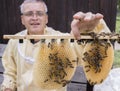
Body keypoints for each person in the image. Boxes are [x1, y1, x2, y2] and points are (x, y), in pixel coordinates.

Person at [0, 0, 111, 91]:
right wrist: (8, 87)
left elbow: (81, 53)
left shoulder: (60, 40)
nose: (34, 17)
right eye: (29, 14)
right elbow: (10, 72)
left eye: (39, 13)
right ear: (22, 20)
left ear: (46, 18)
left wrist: (87, 32)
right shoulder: (14, 41)